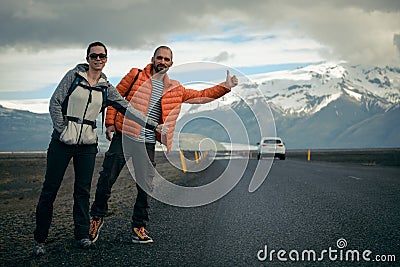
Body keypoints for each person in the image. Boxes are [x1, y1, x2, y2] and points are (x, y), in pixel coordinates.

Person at [89, 45, 238, 244]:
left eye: (167, 59)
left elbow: (201, 96)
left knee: (146, 186)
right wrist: (109, 123)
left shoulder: (175, 88)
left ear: (171, 63)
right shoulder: (135, 75)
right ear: (153, 58)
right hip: (124, 136)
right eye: (160, 58)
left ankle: (138, 227)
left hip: (148, 142)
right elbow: (114, 98)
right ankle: (96, 219)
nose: (163, 62)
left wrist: (224, 87)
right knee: (107, 178)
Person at [33, 41, 166, 256]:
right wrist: (62, 129)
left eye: (101, 56)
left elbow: (128, 108)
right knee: (50, 190)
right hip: (62, 143)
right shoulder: (73, 76)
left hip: (87, 145)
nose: (97, 59)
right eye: (94, 56)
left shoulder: (105, 86)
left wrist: (154, 125)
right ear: (87, 58)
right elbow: (54, 102)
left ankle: (82, 236)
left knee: (82, 190)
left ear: (106, 59)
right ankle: (40, 239)